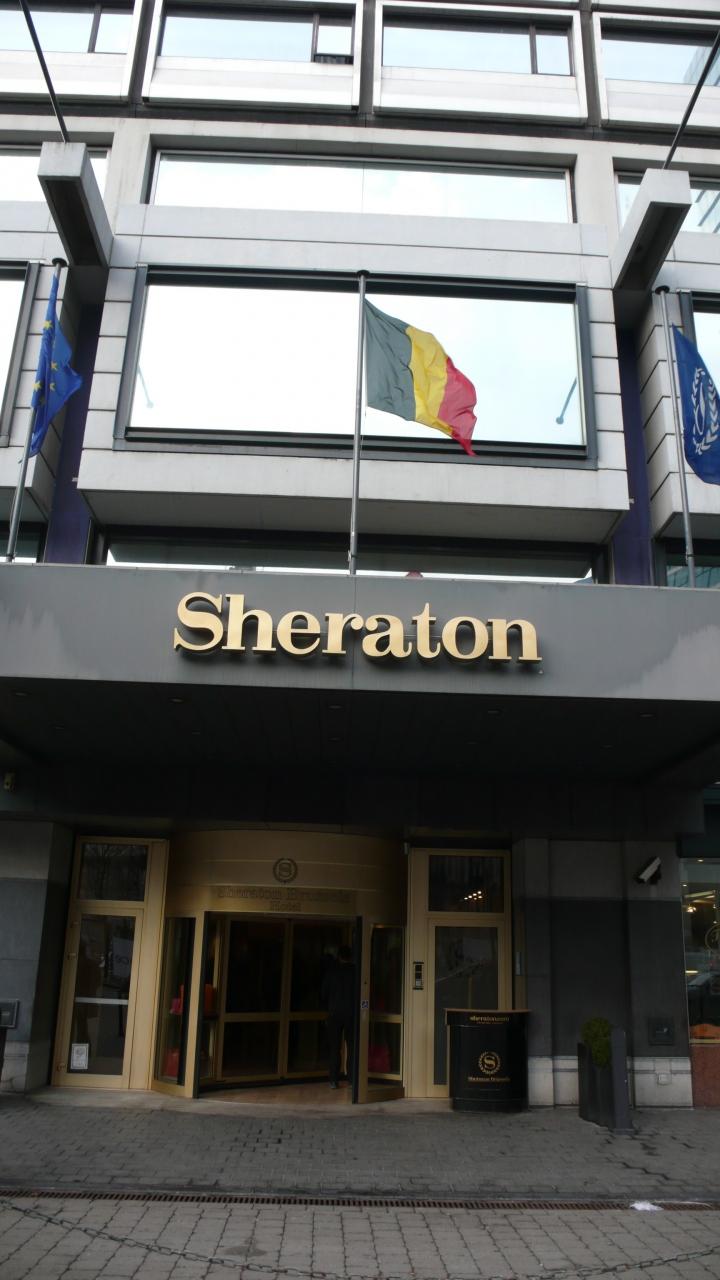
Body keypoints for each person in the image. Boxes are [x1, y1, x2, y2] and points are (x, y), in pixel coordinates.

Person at [323, 944, 355, 1089]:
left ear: (339, 957)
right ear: (351, 957)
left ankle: (334, 1080)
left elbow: (324, 993)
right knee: (352, 1047)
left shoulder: (332, 972)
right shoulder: (356, 972)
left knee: (335, 1048)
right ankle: (352, 1079)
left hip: (334, 1013)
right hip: (351, 1014)